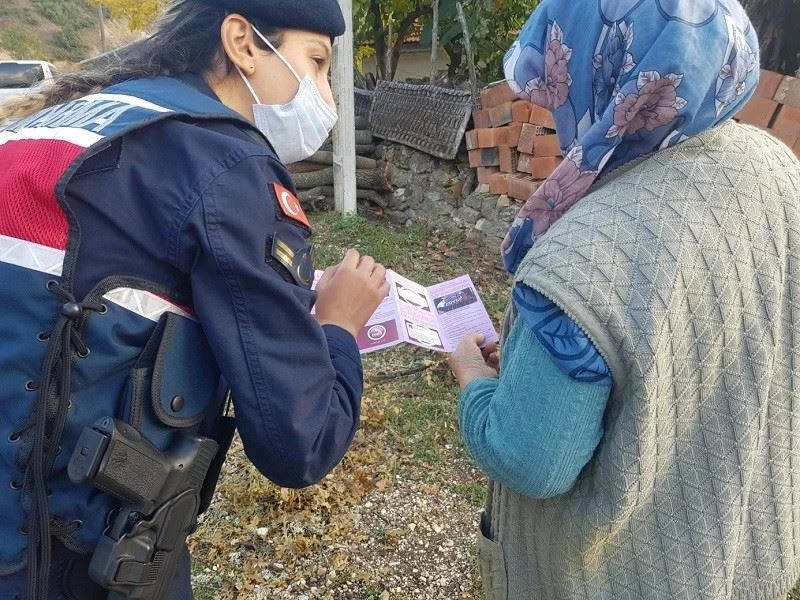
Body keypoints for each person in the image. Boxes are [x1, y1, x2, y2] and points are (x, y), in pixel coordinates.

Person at [0, 0, 389, 598]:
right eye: (315, 63)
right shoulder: (223, 162)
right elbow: (300, 441)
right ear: (244, 43)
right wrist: (336, 325)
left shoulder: (62, 119)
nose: (325, 96)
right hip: (69, 560)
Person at [448, 0, 800, 598]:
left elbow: (532, 460)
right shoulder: (772, 168)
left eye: (556, 77)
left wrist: (470, 377)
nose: (549, 101)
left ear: (606, 71)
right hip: (745, 552)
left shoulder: (578, 257)